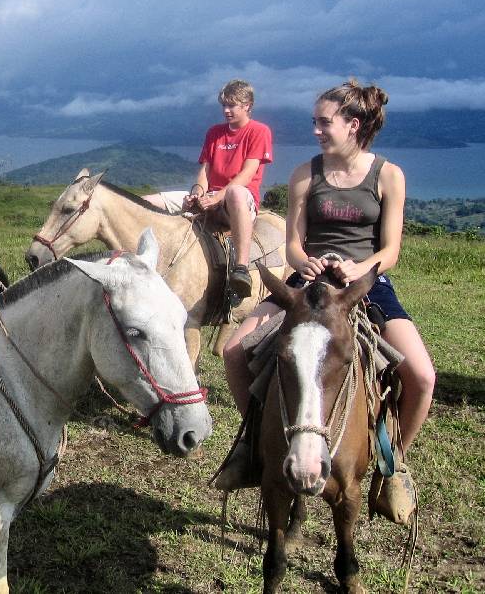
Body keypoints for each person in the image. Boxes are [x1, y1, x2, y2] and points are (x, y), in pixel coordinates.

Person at [218, 80, 435, 519]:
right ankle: (254, 442)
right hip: (307, 281)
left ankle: (394, 465)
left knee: (423, 376)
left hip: (364, 285)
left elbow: (390, 249)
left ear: (353, 125)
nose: (316, 130)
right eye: (315, 122)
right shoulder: (305, 173)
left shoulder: (388, 175)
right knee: (234, 350)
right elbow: (294, 245)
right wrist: (308, 262)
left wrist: (360, 269)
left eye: (324, 122)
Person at [145, 79, 273, 299]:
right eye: (224, 105)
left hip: (240, 198)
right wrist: (197, 194)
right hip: (211, 195)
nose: (226, 110)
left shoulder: (259, 131)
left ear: (247, 106)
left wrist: (217, 197)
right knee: (148, 201)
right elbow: (205, 170)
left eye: (232, 105)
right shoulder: (215, 132)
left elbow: (247, 174)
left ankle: (241, 268)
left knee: (234, 192)